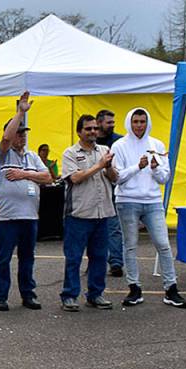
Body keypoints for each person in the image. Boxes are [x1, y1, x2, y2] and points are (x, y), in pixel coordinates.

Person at [111, 108, 186, 308]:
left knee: (163, 244)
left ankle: (171, 288)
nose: (139, 125)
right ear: (129, 122)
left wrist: (155, 168)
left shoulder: (157, 144)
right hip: (127, 199)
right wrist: (137, 166)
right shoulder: (119, 146)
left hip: (153, 200)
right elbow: (117, 177)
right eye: (135, 121)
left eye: (142, 121)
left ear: (148, 122)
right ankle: (134, 287)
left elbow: (165, 177)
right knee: (130, 244)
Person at [0, 91, 51, 312]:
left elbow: (47, 177)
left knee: (27, 259)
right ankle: (0, 296)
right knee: (3, 258)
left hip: (29, 216)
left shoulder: (32, 157)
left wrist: (25, 174)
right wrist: (20, 113)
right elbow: (6, 139)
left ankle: (28, 294)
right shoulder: (2, 154)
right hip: (9, 217)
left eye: (24, 133)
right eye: (19, 132)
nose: (21, 136)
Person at [60, 114, 119, 312]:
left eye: (95, 128)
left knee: (100, 257)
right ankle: (69, 295)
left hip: (102, 213)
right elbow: (75, 178)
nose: (93, 131)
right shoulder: (70, 153)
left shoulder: (104, 151)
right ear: (79, 132)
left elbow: (114, 178)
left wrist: (108, 167)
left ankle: (95, 294)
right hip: (79, 214)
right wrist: (99, 166)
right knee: (74, 257)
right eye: (88, 129)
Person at [96, 109, 125, 277]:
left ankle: (116, 262)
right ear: (99, 123)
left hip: (113, 191)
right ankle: (97, 260)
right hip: (94, 192)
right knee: (95, 229)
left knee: (114, 228)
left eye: (113, 122)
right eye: (109, 122)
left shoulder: (119, 142)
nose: (112, 125)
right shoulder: (91, 142)